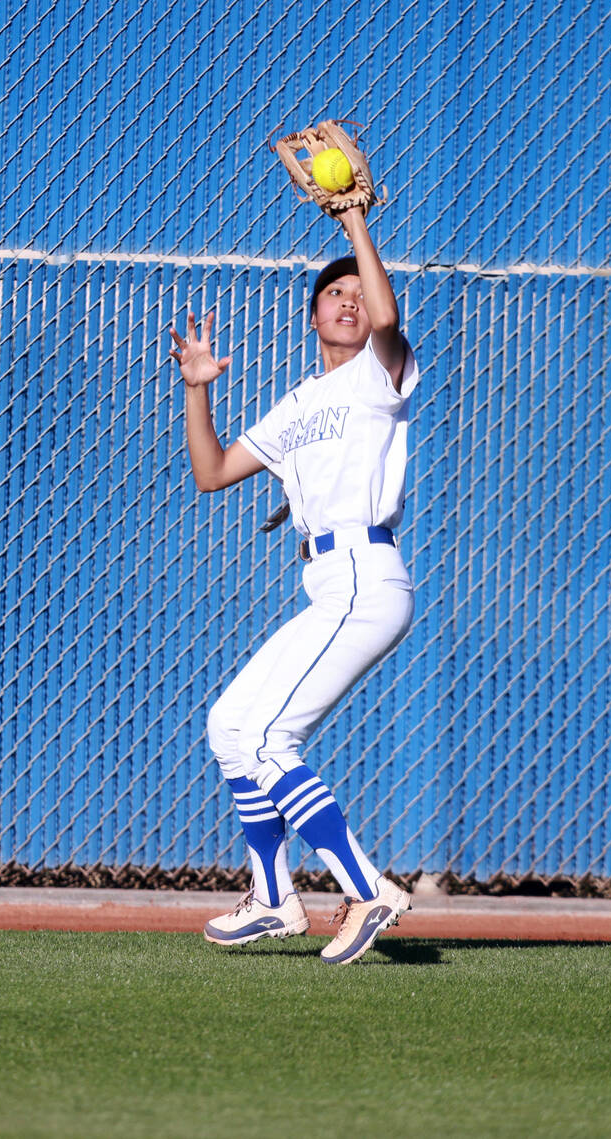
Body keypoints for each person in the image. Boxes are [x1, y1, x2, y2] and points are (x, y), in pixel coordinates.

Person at [167, 203, 421, 965]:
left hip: (364, 575)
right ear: (311, 315)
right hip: (327, 582)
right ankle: (275, 897)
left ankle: (365, 886)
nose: (348, 300)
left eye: (357, 293)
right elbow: (212, 473)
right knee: (230, 727)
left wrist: (355, 230)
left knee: (272, 737)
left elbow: (386, 314)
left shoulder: (382, 376)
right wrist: (197, 387)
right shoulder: (297, 405)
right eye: (333, 294)